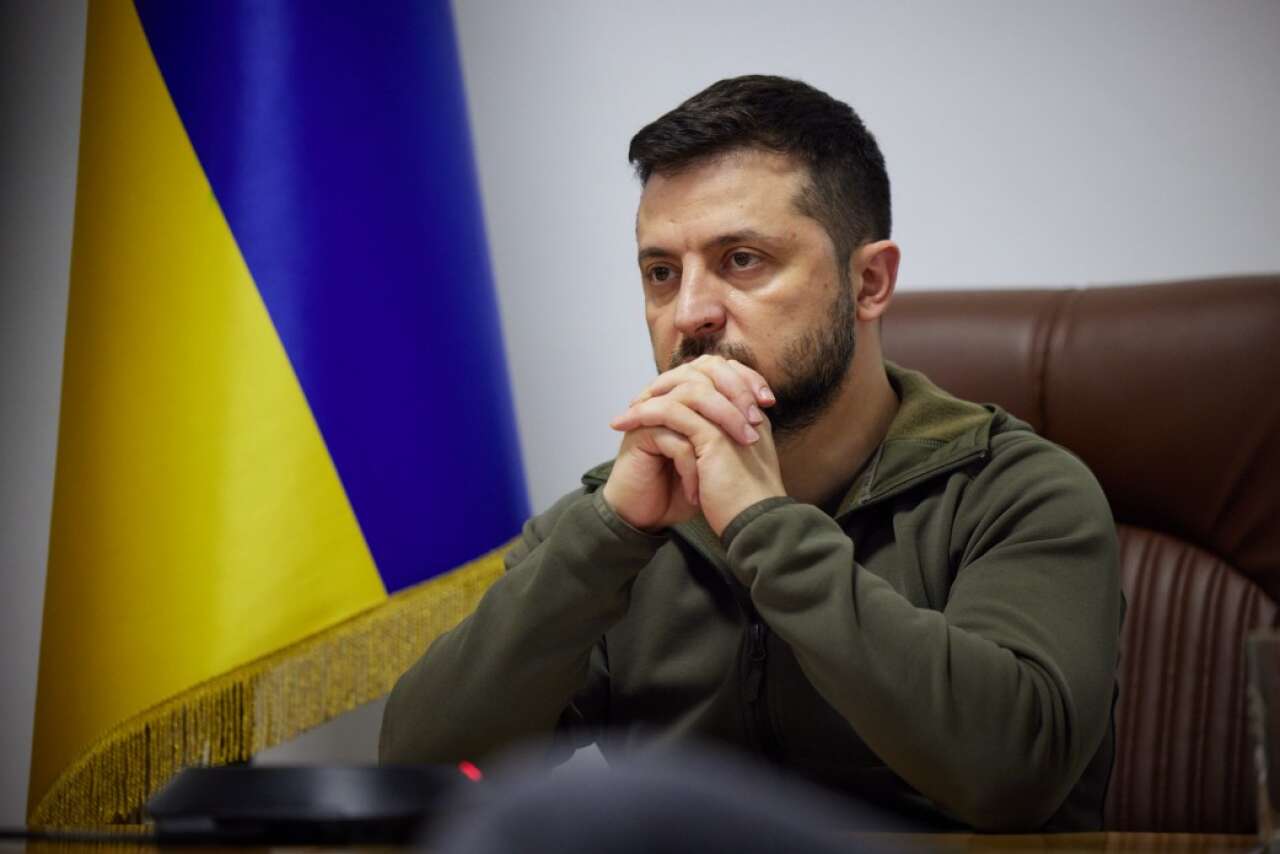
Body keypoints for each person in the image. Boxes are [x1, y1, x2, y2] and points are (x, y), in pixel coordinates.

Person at [380, 75, 1122, 832]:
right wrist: (606, 539)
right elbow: (420, 775)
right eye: (662, 273)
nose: (690, 313)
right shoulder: (616, 520)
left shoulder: (1019, 492)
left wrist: (763, 524)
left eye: (741, 260)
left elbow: (1012, 776)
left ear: (869, 282)